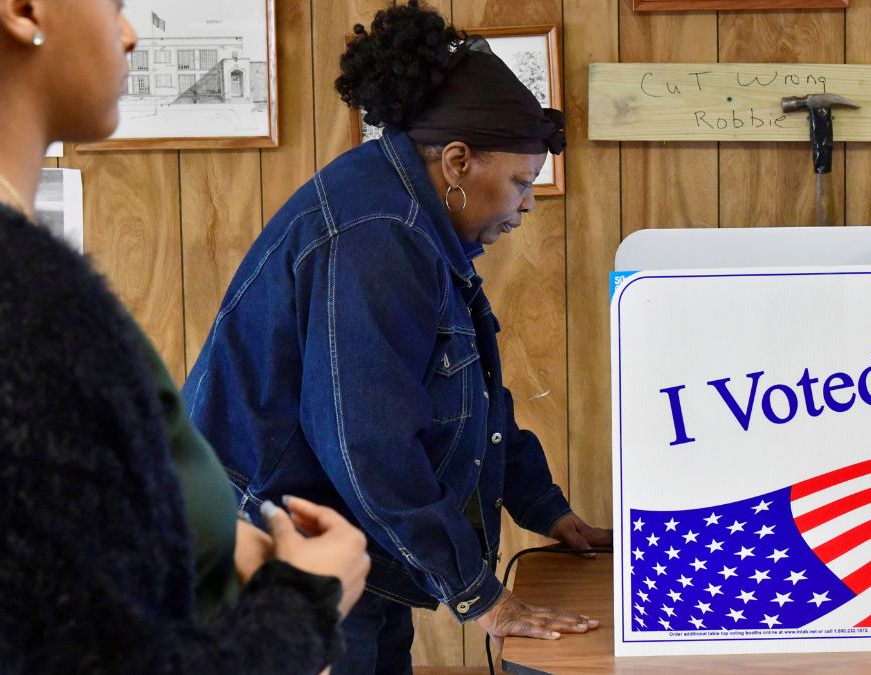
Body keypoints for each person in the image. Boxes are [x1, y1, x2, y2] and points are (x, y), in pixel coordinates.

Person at [0, 0, 369, 673]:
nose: (132, 33)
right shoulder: (12, 307)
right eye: (114, 5)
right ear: (23, 10)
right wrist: (307, 601)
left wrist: (198, 542)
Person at [183, 2, 612, 672]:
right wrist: (481, 596)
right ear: (459, 162)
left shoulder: (413, 218)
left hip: (352, 541)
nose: (527, 204)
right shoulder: (375, 233)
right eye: (521, 182)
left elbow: (470, 397)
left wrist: (545, 507)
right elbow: (370, 444)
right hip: (284, 553)